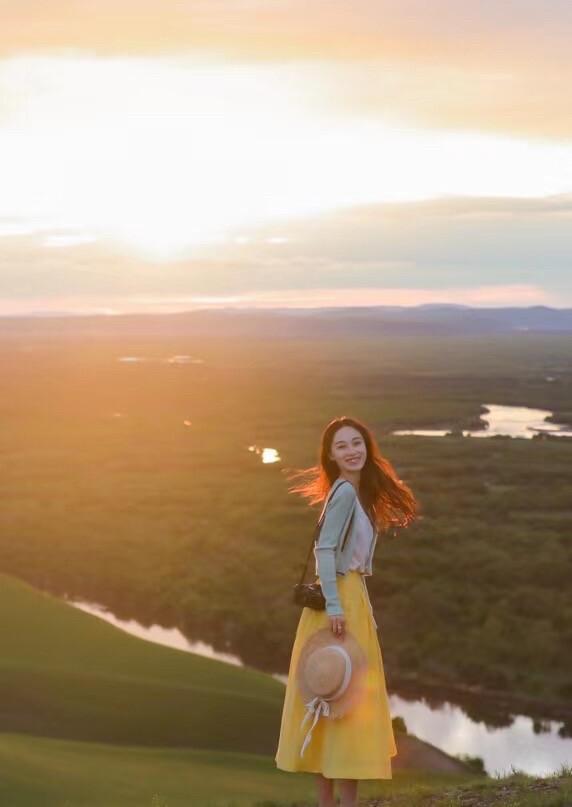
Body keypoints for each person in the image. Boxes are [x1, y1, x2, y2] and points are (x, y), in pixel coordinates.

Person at [275, 416, 418, 807]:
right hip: (340, 600)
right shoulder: (343, 494)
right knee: (343, 701)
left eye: (357, 442)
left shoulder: (355, 492)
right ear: (331, 456)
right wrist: (337, 606)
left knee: (341, 704)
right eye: (342, 446)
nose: (352, 450)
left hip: (348, 596)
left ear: (367, 447)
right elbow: (324, 550)